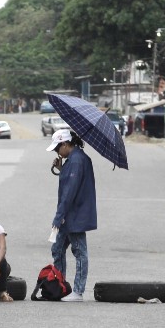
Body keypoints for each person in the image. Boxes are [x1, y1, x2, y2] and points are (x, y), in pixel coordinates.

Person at [47, 129, 96, 302]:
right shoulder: (74, 160)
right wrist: (62, 168)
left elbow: (69, 192)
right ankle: (60, 285)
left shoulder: (76, 161)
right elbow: (72, 182)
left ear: (66, 144)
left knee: (79, 252)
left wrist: (58, 216)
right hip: (69, 214)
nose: (56, 152)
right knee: (57, 248)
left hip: (74, 215)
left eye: (57, 148)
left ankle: (78, 291)